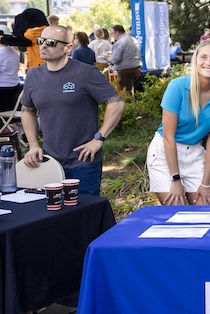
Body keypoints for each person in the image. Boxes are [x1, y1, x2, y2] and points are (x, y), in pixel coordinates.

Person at [21, 25, 126, 196]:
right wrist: (33, 145)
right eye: (40, 41)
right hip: (48, 161)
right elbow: (27, 110)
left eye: (51, 42)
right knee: (52, 217)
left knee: (83, 216)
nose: (43, 46)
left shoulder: (85, 73)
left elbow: (116, 103)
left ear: (68, 48)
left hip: (83, 162)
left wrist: (99, 138)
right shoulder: (33, 76)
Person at [147, 40, 210, 205]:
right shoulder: (176, 87)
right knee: (177, 212)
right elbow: (168, 136)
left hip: (194, 154)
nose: (208, 63)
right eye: (203, 57)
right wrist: (175, 179)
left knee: (204, 213)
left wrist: (205, 182)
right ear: (196, 60)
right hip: (166, 152)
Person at [108, 25, 142, 93]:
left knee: (126, 92)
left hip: (125, 71)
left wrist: (108, 58)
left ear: (117, 33)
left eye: (112, 33)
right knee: (135, 92)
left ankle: (128, 103)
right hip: (136, 68)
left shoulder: (119, 42)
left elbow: (116, 59)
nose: (112, 35)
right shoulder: (133, 39)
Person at [0, 35, 21, 111]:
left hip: (2, 86)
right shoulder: (15, 53)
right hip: (15, 85)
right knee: (11, 112)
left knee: (3, 113)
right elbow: (18, 68)